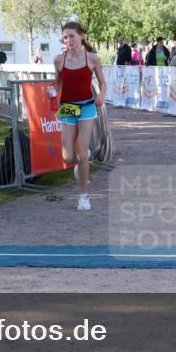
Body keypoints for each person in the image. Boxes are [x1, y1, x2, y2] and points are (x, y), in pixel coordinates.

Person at [51, 21, 106, 211]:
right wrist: (53, 91)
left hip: (86, 107)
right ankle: (81, 160)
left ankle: (83, 197)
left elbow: (103, 83)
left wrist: (100, 95)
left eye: (72, 36)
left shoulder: (92, 59)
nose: (68, 40)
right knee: (67, 157)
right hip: (67, 107)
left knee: (81, 153)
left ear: (81, 36)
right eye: (65, 37)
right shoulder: (59, 60)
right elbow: (58, 83)